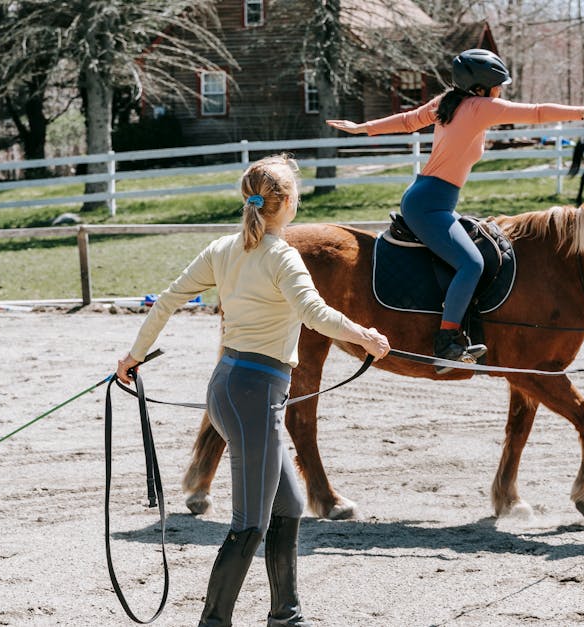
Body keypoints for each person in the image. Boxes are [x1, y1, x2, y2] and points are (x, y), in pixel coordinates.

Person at [116, 154, 390, 627]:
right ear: (289, 202)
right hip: (253, 395)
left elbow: (168, 300)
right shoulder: (281, 255)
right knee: (249, 524)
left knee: (290, 505)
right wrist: (365, 335)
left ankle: (286, 616)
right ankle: (213, 622)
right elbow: (314, 313)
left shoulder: (223, 249)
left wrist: (133, 355)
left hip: (230, 389)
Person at [328, 48, 584, 373]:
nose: (501, 91)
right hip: (429, 205)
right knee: (471, 264)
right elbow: (538, 112)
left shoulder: (449, 102)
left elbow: (407, 121)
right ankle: (446, 343)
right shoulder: (480, 107)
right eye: (498, 85)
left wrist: (363, 127)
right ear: (482, 87)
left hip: (429, 199)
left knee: (478, 248)